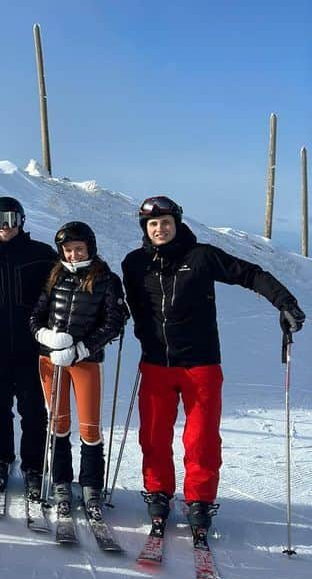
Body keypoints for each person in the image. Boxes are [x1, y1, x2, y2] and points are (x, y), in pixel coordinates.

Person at [122, 195, 305, 537]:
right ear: (145, 229)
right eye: (153, 224)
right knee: (153, 435)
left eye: (165, 223)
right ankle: (158, 492)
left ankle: (199, 501)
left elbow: (250, 274)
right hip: (155, 363)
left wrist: (284, 302)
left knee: (202, 438)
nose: (160, 229)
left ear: (177, 224)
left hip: (200, 364)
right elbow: (130, 302)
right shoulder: (134, 263)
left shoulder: (202, 256)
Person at [28, 221, 127, 521]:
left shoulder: (106, 280)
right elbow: (36, 315)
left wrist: (82, 348)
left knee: (89, 427)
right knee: (57, 423)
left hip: (84, 361)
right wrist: (45, 337)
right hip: (51, 360)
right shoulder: (55, 276)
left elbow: (115, 320)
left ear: (90, 248)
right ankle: (61, 483)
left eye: (78, 249)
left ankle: (91, 486)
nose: (72, 255)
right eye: (68, 250)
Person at [0, 196, 57, 502]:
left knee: (33, 408)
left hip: (32, 346)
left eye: (12, 219)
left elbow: (64, 282)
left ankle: (34, 466)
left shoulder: (40, 254)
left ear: (22, 221)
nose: (6, 227)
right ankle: (1, 458)